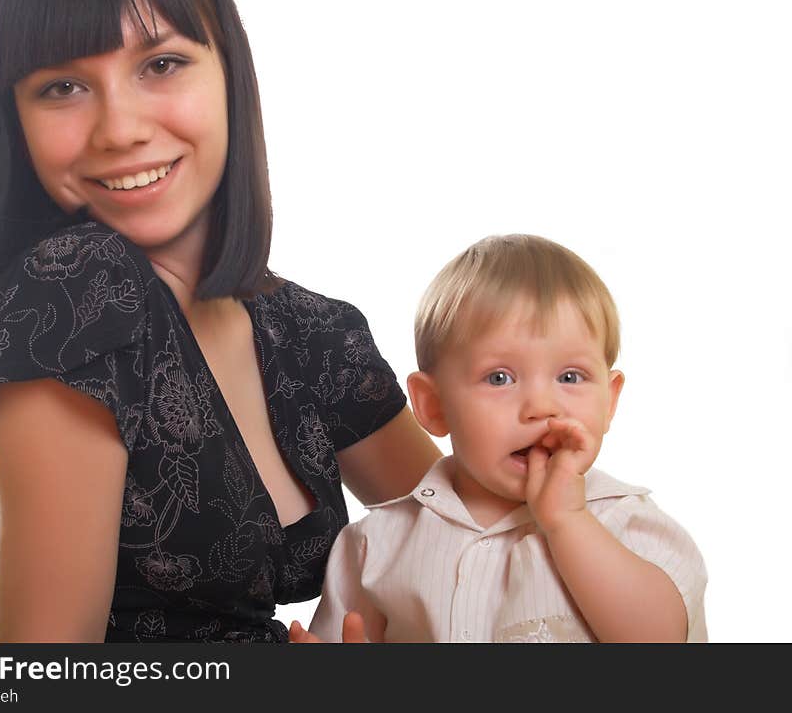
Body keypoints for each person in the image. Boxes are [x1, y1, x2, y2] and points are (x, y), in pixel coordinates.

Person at [0, 0, 440, 643]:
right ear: (16, 119)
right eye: (62, 87)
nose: (119, 130)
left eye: (161, 64)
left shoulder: (311, 332)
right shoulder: (72, 293)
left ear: (230, 73)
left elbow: (485, 538)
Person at [294, 234, 708, 642]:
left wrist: (568, 522)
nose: (541, 406)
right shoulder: (374, 547)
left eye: (570, 377)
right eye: (500, 378)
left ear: (609, 401)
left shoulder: (625, 522)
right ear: (433, 404)